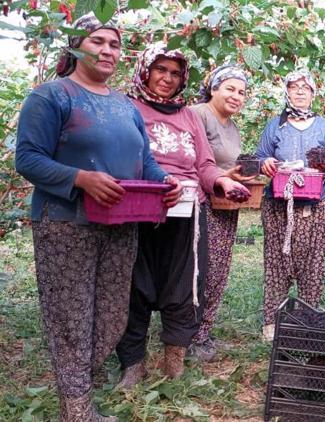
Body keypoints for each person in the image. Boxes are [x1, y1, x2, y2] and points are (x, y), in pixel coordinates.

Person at [14, 14, 180, 421]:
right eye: (98, 41)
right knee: (71, 317)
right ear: (75, 47)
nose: (108, 50)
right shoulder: (52, 96)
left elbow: (144, 162)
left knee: (109, 317)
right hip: (67, 223)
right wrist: (80, 178)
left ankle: (79, 393)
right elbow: (28, 159)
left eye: (115, 44)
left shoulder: (125, 106)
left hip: (121, 224)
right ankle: (77, 410)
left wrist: (166, 183)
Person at [116, 43, 249, 387]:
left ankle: (173, 360)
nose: (168, 78)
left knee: (185, 285)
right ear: (146, 70)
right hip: (138, 208)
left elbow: (203, 163)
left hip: (187, 212)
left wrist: (220, 180)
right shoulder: (126, 107)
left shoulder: (188, 115)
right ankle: (133, 364)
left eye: (175, 73)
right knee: (134, 283)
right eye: (161, 69)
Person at [257, 69, 325, 340]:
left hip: (317, 205)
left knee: (313, 262)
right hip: (279, 205)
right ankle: (272, 322)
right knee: (277, 261)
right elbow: (261, 156)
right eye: (294, 87)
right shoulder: (276, 125)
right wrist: (265, 164)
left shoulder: (324, 126)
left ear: (313, 93)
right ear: (287, 92)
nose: (300, 92)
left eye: (305, 87)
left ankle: (308, 319)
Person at [189, 65, 252, 361]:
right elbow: (190, 161)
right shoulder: (198, 114)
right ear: (213, 88)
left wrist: (237, 176)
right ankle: (188, 337)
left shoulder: (231, 125)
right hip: (202, 203)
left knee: (219, 270)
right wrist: (223, 176)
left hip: (225, 205)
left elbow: (225, 166)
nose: (236, 96)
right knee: (201, 271)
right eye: (229, 88)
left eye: (241, 92)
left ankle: (203, 333)